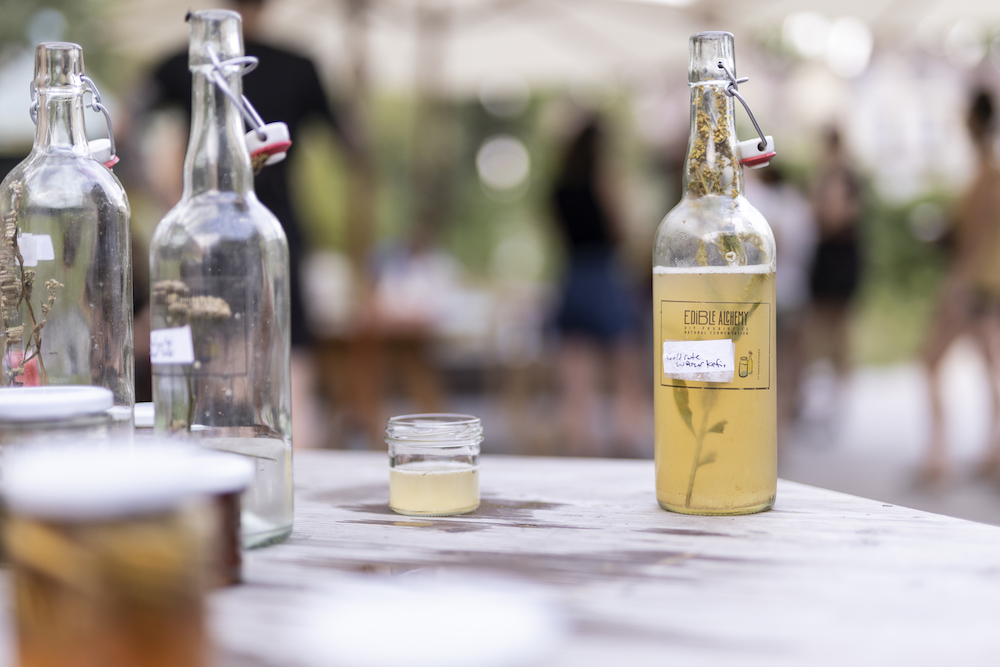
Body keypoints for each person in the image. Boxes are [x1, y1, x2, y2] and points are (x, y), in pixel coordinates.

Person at [141, 0, 350, 447]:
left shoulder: (181, 61)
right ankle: (294, 466)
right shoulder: (301, 64)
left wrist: (170, 198)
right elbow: (349, 143)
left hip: (206, 233)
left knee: (213, 355)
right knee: (291, 363)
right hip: (279, 227)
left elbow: (121, 124)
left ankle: (221, 453)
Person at [550, 116, 648, 457]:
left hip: (572, 275)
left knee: (577, 367)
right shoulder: (603, 180)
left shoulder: (559, 185)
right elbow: (619, 229)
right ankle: (626, 433)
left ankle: (579, 437)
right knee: (625, 360)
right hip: (603, 274)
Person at [922, 88, 1000, 484]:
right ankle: (990, 452)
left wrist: (959, 282)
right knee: (989, 367)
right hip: (985, 283)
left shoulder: (987, 169)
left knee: (931, 360)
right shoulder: (983, 167)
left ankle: (939, 457)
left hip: (974, 283)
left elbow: (977, 236)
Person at [804, 128, 864, 425]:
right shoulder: (831, 175)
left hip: (837, 256)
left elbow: (836, 216)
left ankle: (836, 395)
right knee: (825, 327)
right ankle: (830, 393)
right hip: (832, 256)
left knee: (835, 327)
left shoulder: (838, 176)